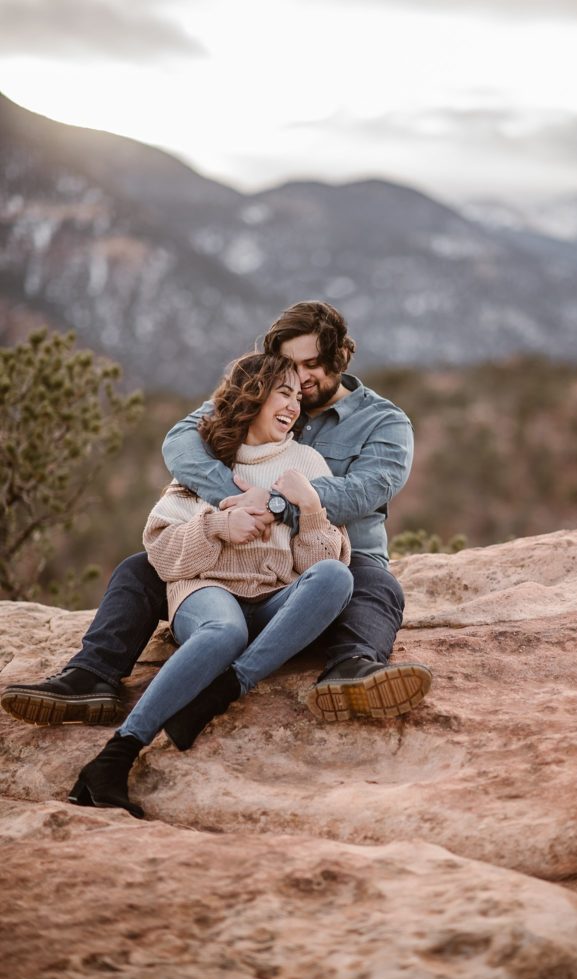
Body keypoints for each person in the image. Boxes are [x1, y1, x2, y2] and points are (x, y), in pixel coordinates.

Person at [1, 300, 431, 728]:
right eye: (288, 365)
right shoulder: (263, 394)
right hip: (233, 561)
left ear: (339, 357)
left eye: (313, 364)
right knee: (139, 571)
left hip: (327, 560)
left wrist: (274, 503)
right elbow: (181, 444)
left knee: (374, 584)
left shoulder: (385, 423)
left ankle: (351, 669)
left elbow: (362, 492)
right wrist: (234, 501)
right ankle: (92, 676)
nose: (299, 379)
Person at [67, 352, 354, 817]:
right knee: (224, 632)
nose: (293, 405)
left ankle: (223, 689)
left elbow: (316, 563)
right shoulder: (208, 460)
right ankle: (113, 758)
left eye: (298, 396)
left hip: (274, 602)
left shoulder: (307, 462)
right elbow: (161, 553)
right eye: (283, 392)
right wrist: (219, 525)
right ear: (253, 396)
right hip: (207, 592)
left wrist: (313, 510)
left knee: (337, 576)